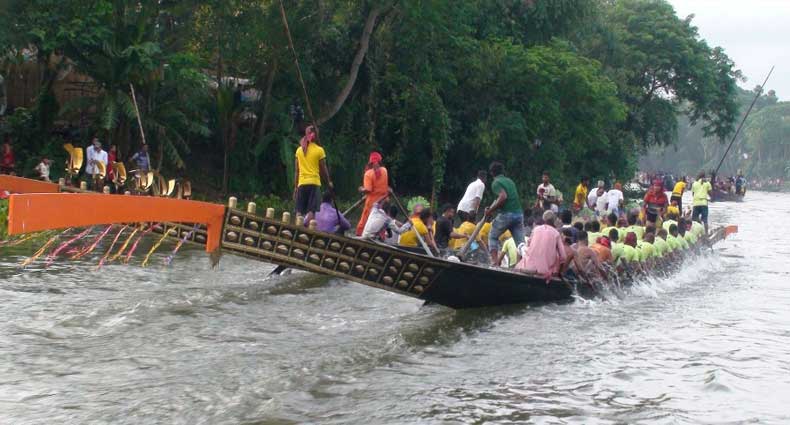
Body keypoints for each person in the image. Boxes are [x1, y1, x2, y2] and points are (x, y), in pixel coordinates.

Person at [485, 162, 525, 264]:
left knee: (492, 237)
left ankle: (495, 263)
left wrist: (490, 210)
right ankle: (524, 264)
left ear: (492, 173)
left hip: (508, 214)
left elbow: (503, 197)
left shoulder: (496, 182)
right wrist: (492, 208)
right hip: (519, 214)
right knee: (521, 244)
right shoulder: (510, 181)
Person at [294, 125, 333, 225]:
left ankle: (298, 226)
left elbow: (297, 171)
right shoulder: (319, 150)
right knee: (312, 211)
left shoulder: (299, 151)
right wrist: (328, 182)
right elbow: (323, 169)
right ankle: (305, 227)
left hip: (301, 183)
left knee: (299, 210)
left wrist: (295, 187)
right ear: (316, 136)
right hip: (314, 183)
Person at [516, 210, 565, 281]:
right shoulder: (556, 233)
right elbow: (563, 257)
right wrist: (559, 272)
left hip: (528, 267)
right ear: (553, 220)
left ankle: (516, 268)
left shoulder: (536, 229)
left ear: (544, 219)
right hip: (545, 271)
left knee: (521, 246)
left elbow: (528, 245)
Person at [356, 151, 389, 236]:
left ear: (370, 163)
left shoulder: (368, 174)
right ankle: (381, 237)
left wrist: (361, 189)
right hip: (383, 202)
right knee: (380, 223)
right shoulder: (385, 171)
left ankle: (359, 237)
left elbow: (368, 190)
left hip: (372, 203)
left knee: (364, 223)